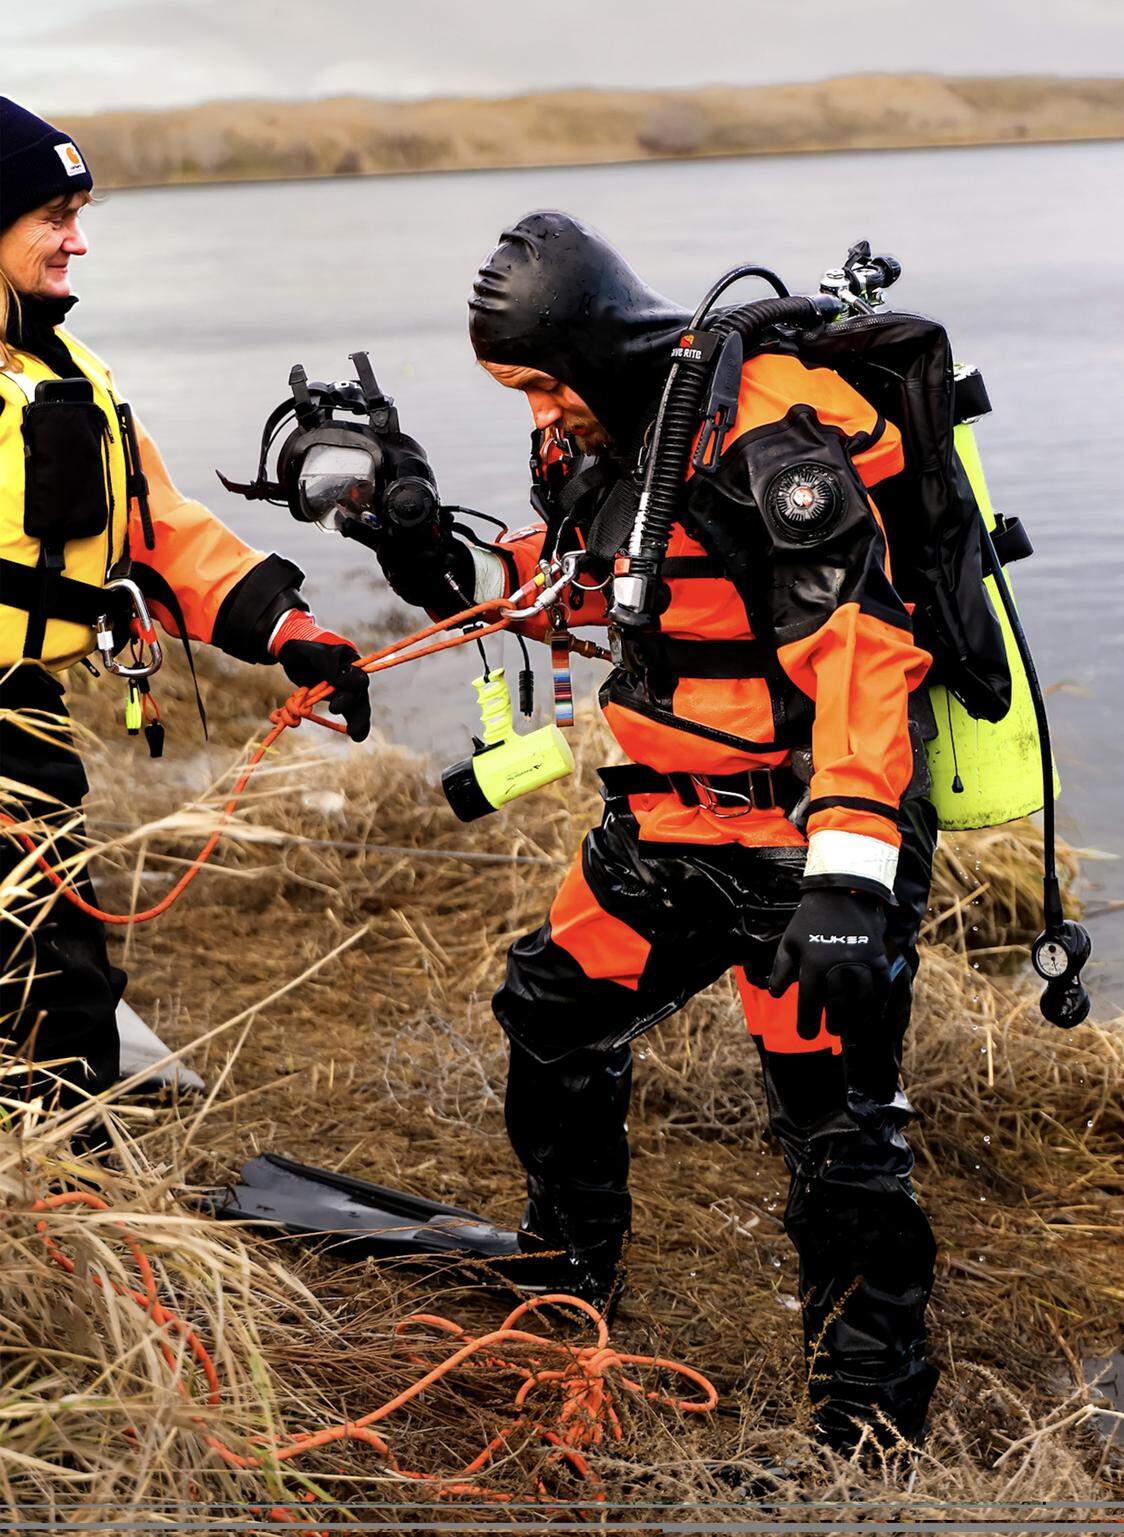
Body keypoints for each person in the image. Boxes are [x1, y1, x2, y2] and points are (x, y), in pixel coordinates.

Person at [374, 209, 941, 1453]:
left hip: (806, 848)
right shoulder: (614, 437)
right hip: (665, 830)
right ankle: (572, 1275)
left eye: (537, 383)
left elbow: (862, 656)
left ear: (592, 346)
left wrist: (851, 877)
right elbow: (598, 587)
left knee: (835, 1127)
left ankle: (868, 1428)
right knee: (552, 1010)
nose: (535, 412)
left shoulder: (770, 437)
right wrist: (429, 556)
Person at [0, 98, 370, 1123]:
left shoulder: (69, 376)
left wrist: (292, 632)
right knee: (51, 998)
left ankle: (54, 1207)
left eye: (82, 209)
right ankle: (53, 1221)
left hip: (29, 730)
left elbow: (158, 528)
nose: (78, 237)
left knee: (58, 994)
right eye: (50, 215)